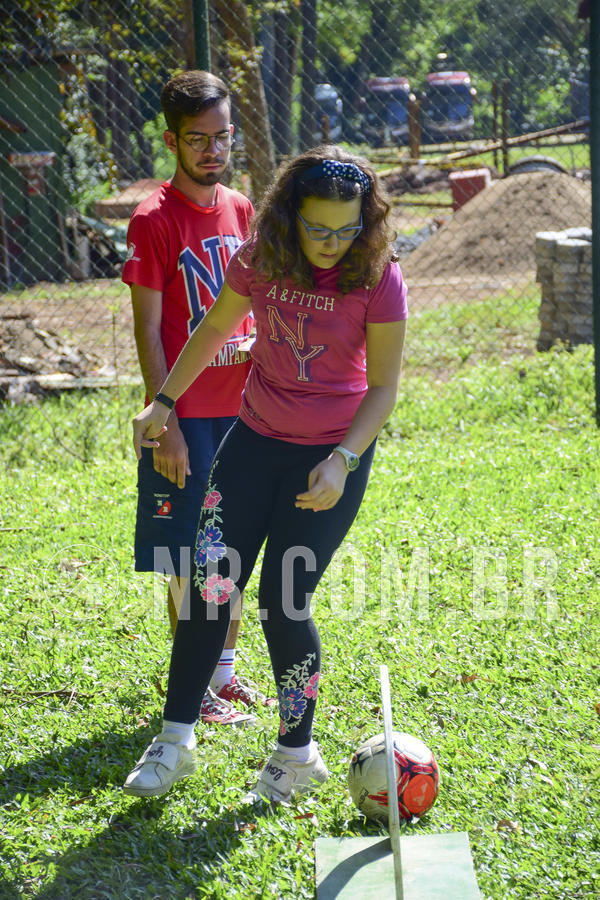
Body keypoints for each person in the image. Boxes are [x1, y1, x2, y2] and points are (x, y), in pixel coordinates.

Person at [123, 145, 408, 803]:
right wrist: (163, 401)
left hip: (330, 458)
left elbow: (386, 387)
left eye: (347, 228)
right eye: (318, 228)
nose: (332, 242)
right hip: (251, 444)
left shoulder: (379, 275)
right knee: (208, 586)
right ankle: (175, 739)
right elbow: (214, 325)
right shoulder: (259, 258)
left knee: (284, 601)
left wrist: (343, 461)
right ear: (290, 216)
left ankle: (296, 753)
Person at [122, 70, 265, 727]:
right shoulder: (154, 219)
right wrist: (166, 418)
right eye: (198, 138)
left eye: (223, 136)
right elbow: (148, 327)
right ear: (171, 140)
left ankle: (225, 677)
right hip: (189, 415)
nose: (214, 150)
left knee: (230, 552)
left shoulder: (240, 208)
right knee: (189, 558)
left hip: (244, 411)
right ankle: (193, 687)